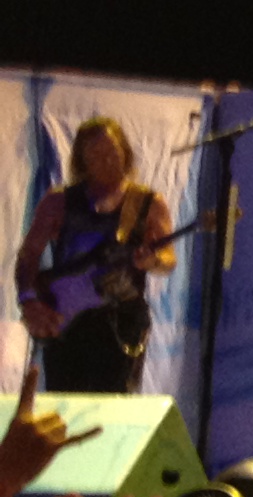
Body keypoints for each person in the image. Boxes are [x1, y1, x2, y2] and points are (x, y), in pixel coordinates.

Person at [13, 118, 176, 395]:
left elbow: (168, 259)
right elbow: (29, 255)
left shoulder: (148, 203)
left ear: (125, 151)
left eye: (113, 151)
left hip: (122, 321)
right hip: (66, 321)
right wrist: (28, 300)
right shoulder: (58, 201)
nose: (107, 160)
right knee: (64, 403)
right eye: (96, 155)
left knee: (115, 405)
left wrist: (153, 261)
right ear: (82, 160)